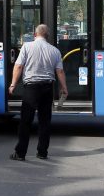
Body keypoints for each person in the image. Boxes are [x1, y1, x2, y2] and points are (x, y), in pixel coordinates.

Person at [8, 24, 68, 161]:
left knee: (25, 121)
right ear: (47, 36)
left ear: (35, 35)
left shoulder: (26, 47)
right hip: (47, 88)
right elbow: (60, 71)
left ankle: (20, 153)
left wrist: (13, 84)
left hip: (31, 88)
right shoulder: (55, 51)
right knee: (45, 121)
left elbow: (18, 66)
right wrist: (64, 87)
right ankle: (42, 152)